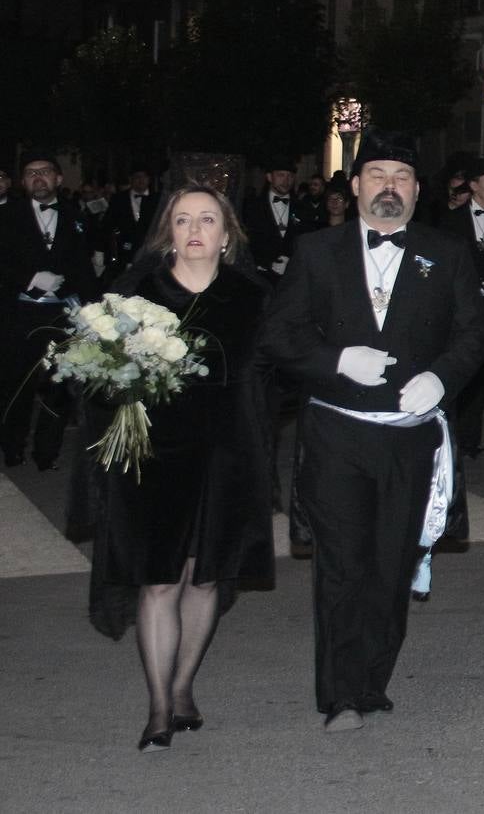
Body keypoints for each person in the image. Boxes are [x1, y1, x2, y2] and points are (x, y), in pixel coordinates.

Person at [259, 128, 484, 731]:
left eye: (403, 178)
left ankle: (371, 680)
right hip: (339, 433)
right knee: (342, 564)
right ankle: (339, 693)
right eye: (378, 176)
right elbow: (279, 337)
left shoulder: (446, 252)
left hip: (410, 436)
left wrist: (443, 378)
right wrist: (335, 360)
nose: (390, 188)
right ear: (356, 185)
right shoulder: (316, 251)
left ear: (418, 191)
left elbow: (475, 332)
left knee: (392, 564)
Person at [82, 185, 275, 751]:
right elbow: (97, 378)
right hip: (153, 456)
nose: (195, 229)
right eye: (183, 219)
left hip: (227, 453)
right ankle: (159, 707)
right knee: (160, 578)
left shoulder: (252, 295)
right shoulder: (137, 291)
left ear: (227, 233)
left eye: (207, 219)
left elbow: (277, 374)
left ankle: (185, 686)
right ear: (167, 230)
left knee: (206, 575)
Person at [0, 151, 99, 470]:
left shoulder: (76, 215)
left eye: (44, 172)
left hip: (63, 315)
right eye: (30, 173)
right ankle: (12, 447)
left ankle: (47, 451)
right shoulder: (6, 215)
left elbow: (84, 268)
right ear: (23, 182)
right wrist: (29, 279)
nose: (37, 177)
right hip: (20, 315)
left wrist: (94, 310)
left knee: (61, 385)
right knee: (16, 384)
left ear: (58, 178)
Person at [437, 157, 484, 457]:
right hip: (461, 308)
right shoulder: (452, 221)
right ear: (474, 186)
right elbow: (445, 265)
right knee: (460, 368)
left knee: (483, 371)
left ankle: (470, 439)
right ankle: (450, 433)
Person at [240, 158, 301, 284]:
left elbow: (307, 240)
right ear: (269, 177)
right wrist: (266, 264)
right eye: (281, 175)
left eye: (290, 176)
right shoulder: (252, 207)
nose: (286, 181)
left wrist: (292, 261)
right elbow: (245, 242)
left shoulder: (302, 208)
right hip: (260, 279)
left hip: (294, 280)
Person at [100, 165, 159, 283]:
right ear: (131, 179)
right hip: (124, 252)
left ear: (149, 179)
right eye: (137, 177)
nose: (141, 180)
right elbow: (108, 224)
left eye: (144, 177)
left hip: (150, 251)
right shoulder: (118, 199)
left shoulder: (158, 198)